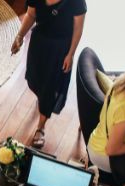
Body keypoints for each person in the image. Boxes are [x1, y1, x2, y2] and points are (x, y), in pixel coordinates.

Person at [11, 0, 86, 149]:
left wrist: (70, 54)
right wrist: (19, 36)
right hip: (39, 42)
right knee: (34, 80)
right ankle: (42, 100)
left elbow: (78, 28)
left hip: (60, 48)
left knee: (49, 88)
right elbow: (31, 15)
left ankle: (40, 128)